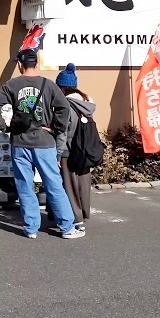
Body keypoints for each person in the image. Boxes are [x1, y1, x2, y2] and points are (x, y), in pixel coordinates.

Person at [0, 49, 82, 239]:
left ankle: (31, 228)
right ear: (36, 63)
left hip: (20, 142)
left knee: (24, 185)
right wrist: (56, 128)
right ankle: (66, 228)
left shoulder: (11, 85)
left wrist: (5, 127)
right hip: (44, 143)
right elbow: (64, 107)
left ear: (19, 64)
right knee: (54, 184)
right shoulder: (48, 85)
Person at [56, 63, 104, 236]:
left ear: (61, 86)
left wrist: (58, 153)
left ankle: (76, 220)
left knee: (69, 187)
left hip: (69, 151)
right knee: (83, 185)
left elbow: (63, 132)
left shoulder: (66, 105)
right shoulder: (86, 103)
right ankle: (83, 214)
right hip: (85, 150)